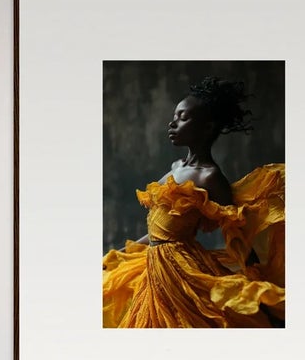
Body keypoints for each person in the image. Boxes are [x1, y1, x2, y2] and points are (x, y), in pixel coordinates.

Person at [102, 76, 284, 328]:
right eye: (174, 116)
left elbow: (235, 230)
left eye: (182, 118)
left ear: (207, 128)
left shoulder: (210, 176)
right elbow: (161, 232)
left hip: (182, 269)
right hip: (155, 265)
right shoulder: (175, 167)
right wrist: (125, 251)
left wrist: (254, 278)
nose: (172, 123)